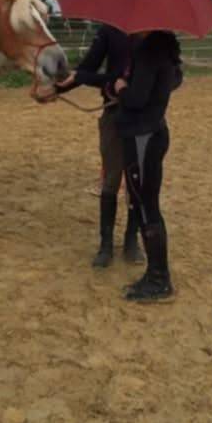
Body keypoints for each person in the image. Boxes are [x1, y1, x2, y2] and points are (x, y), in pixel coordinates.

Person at [58, 30, 183, 303]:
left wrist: (121, 87)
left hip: (142, 134)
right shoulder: (162, 48)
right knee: (143, 202)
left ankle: (159, 280)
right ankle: (154, 275)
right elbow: (166, 82)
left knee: (147, 206)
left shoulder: (149, 51)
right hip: (149, 131)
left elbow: (136, 98)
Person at [58, 23, 143, 268]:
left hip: (143, 116)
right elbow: (87, 68)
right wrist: (57, 88)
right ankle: (106, 243)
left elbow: (169, 74)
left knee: (137, 180)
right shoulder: (109, 30)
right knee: (111, 179)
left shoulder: (154, 33)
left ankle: (131, 240)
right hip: (114, 113)